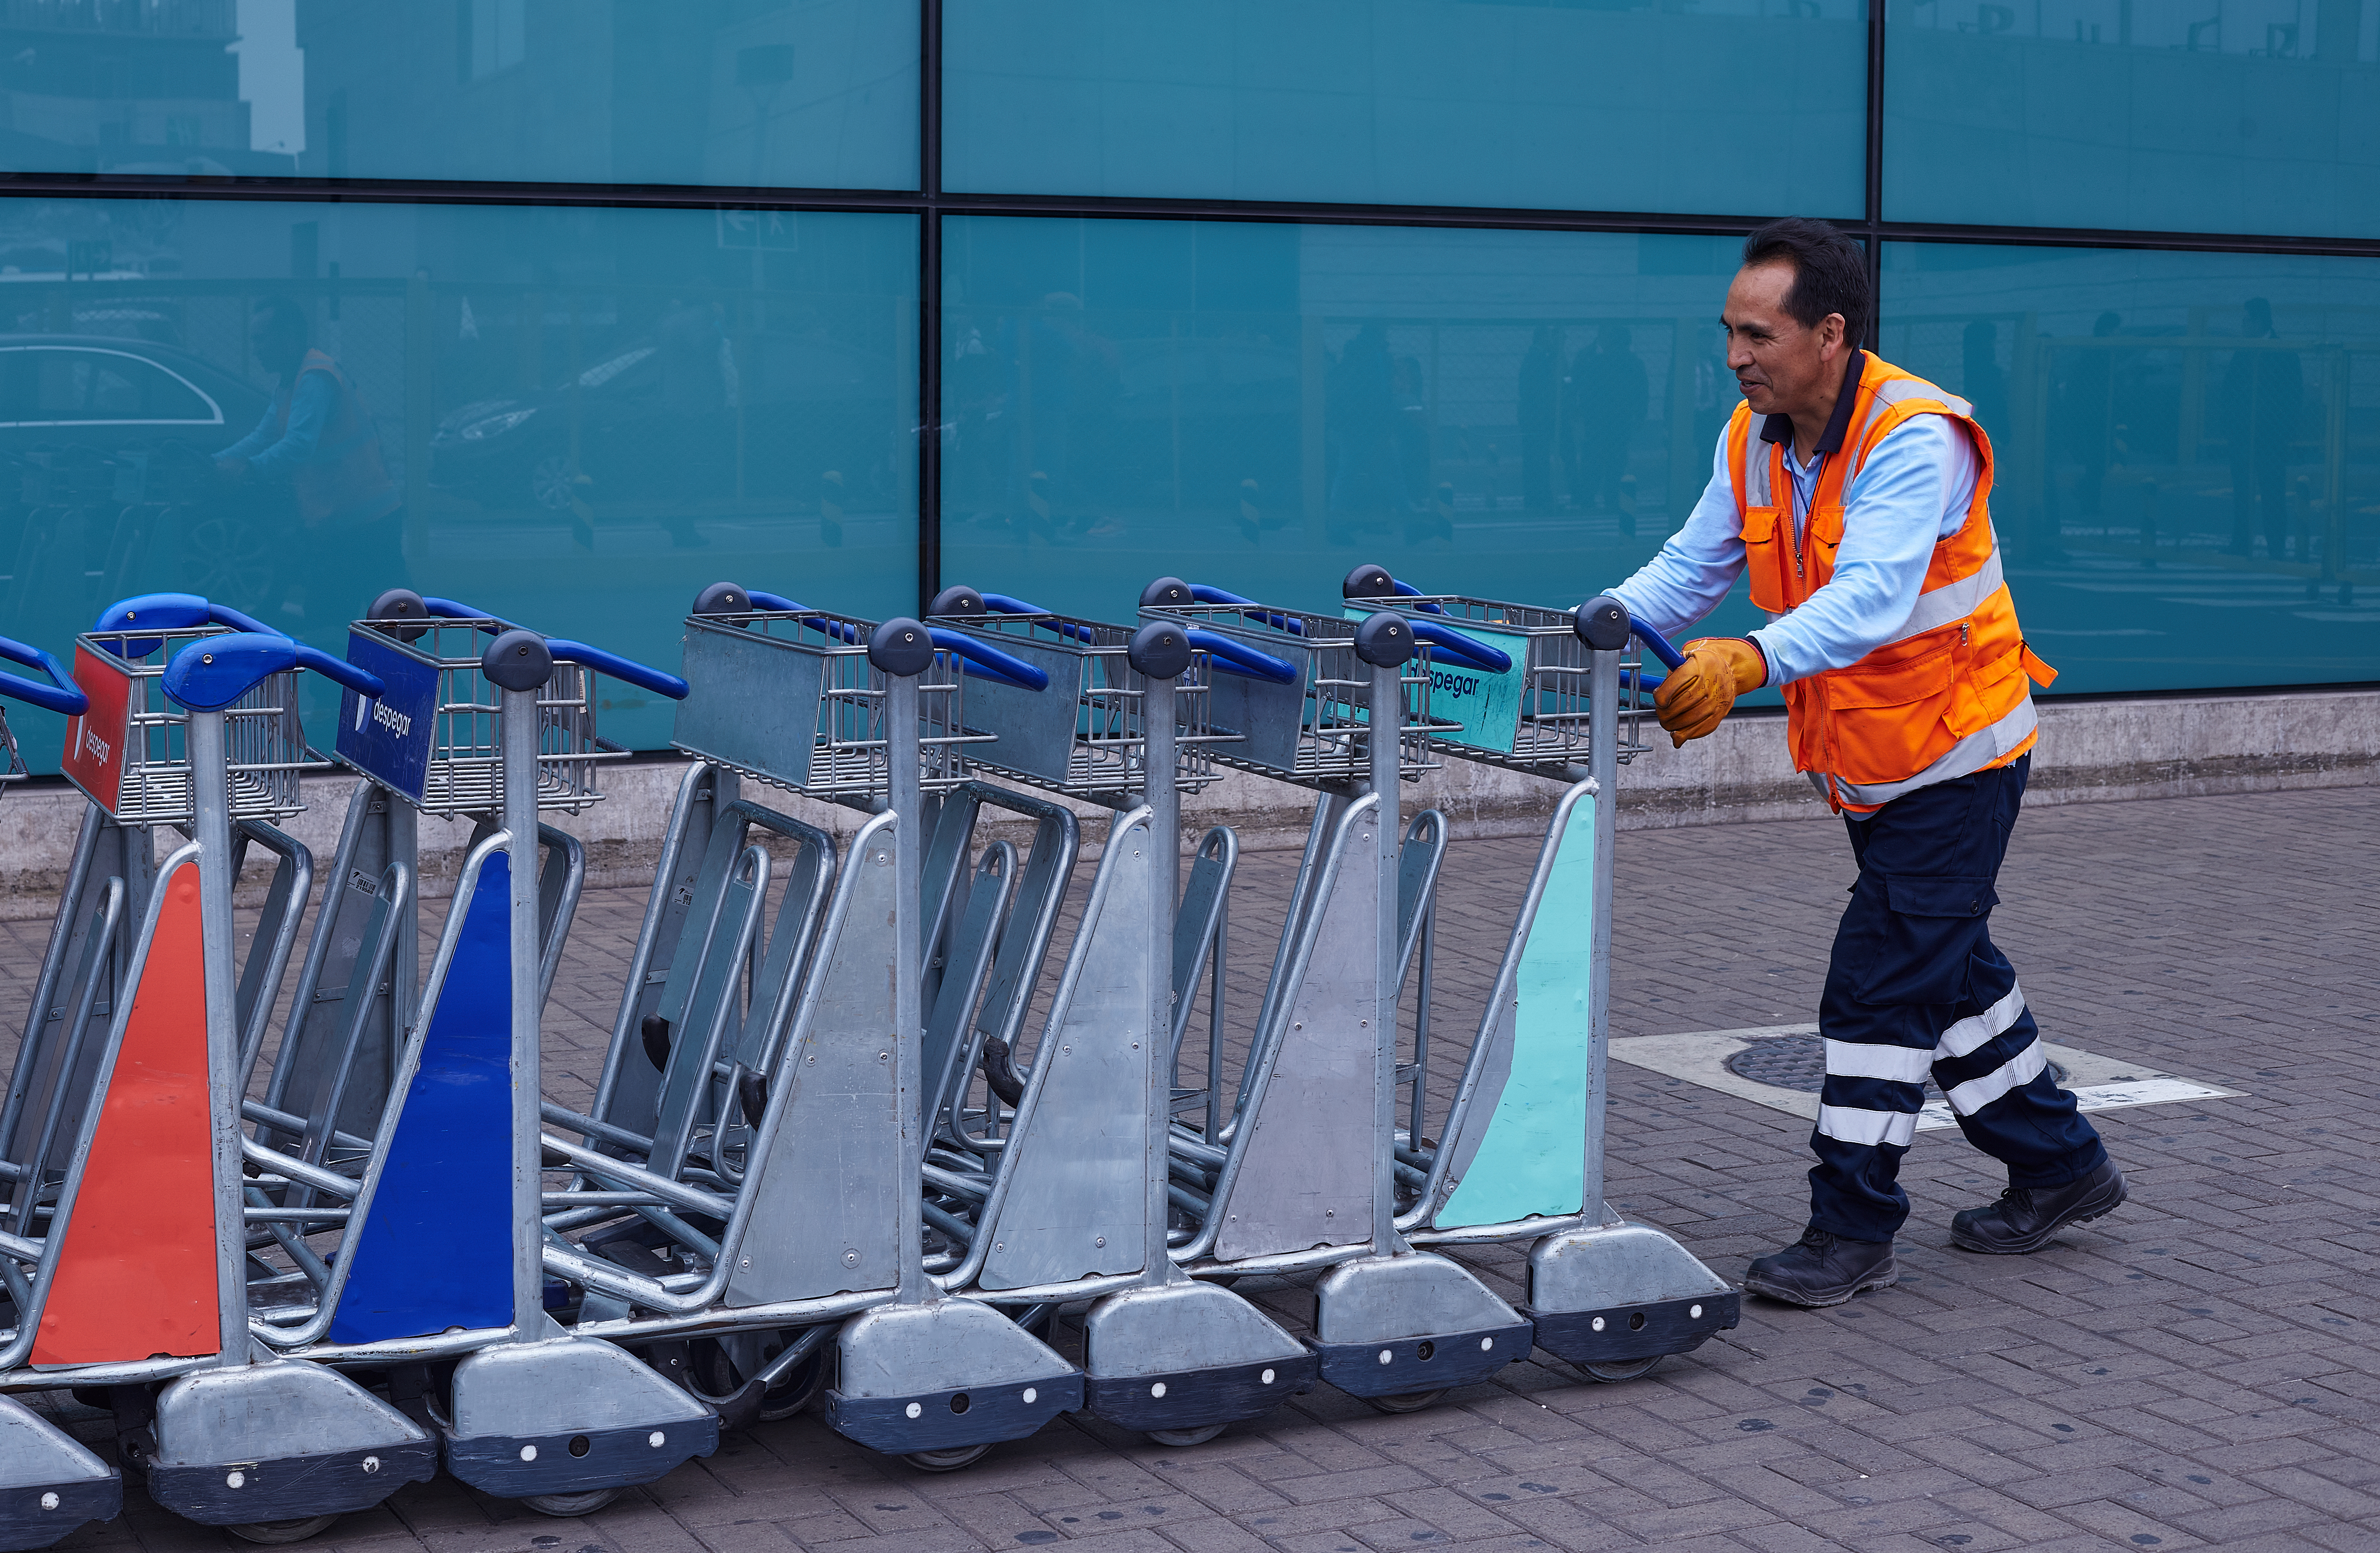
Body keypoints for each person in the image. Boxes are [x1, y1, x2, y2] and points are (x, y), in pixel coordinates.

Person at [1601, 218, 2126, 1308]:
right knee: (1953, 968)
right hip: (1873, 763)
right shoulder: (1754, 436)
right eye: (1728, 332)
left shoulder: (1914, 436)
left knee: (1881, 987)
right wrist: (1580, 638)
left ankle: (1851, 1227)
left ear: (1830, 334)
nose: (1735, 355)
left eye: (1758, 333)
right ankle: (2061, 1164)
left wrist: (1748, 656)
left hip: (1959, 752)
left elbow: (1876, 598)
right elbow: (1686, 570)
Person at [216, 297, 402, 622]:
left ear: (288, 338)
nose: (255, 348)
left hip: (363, 521)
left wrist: (249, 469)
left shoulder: (315, 379)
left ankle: (431, 671)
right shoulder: (290, 384)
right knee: (379, 614)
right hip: (350, 521)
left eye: (262, 338)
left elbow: (298, 445)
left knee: (349, 614)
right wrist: (217, 462)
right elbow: (263, 436)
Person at [2221, 297, 2301, 562]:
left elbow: (2293, 396)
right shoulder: (2244, 351)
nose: (2242, 325)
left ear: (2257, 322)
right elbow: (2229, 390)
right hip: (2242, 433)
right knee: (2242, 489)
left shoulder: (2284, 352)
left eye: (2245, 320)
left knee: (2272, 491)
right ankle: (2241, 542)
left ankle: (2276, 546)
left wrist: (2287, 433)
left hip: (2271, 436)